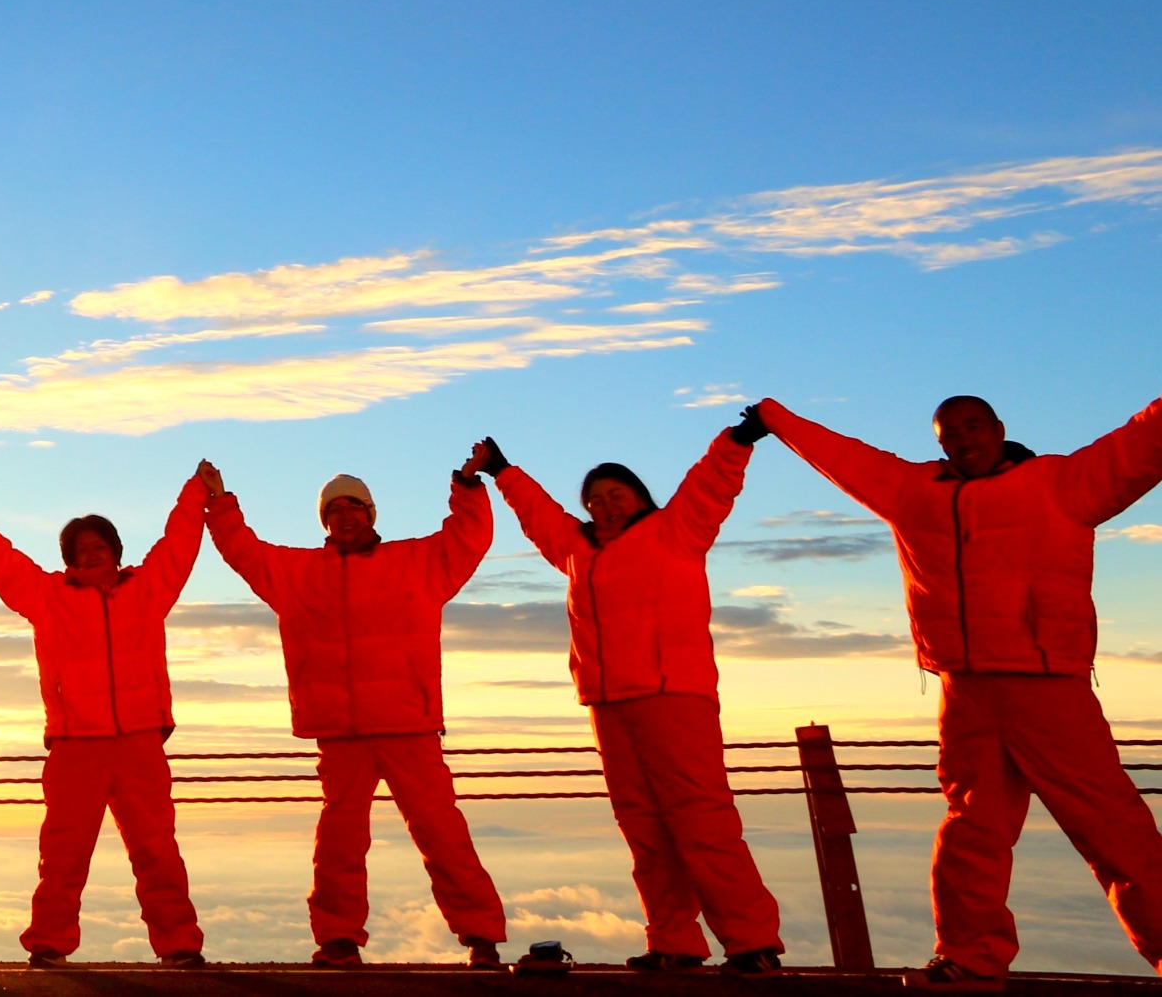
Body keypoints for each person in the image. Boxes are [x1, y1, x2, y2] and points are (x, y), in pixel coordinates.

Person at [756, 390, 1162, 988]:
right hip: (965, 687)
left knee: (1112, 829)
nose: (964, 439)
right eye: (950, 433)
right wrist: (776, 418)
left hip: (1045, 684)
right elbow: (844, 456)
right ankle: (969, 958)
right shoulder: (913, 492)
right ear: (939, 444)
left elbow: (1142, 441)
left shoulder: (1062, 483)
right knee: (972, 827)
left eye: (974, 427)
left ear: (999, 429)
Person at [484, 425, 784, 974]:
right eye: (594, 500)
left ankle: (752, 942)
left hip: (673, 697)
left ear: (641, 497)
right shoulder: (578, 549)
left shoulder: (676, 529)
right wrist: (504, 471)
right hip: (608, 703)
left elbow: (710, 485)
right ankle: (674, 941)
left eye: (614, 495)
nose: (604, 506)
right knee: (645, 829)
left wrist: (736, 442)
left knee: (702, 821)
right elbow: (540, 516)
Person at [203, 455, 507, 967]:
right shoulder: (297, 574)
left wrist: (468, 486)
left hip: (408, 723)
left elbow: (468, 538)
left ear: (371, 513)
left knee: (442, 833)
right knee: (340, 842)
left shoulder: (417, 563)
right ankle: (338, 939)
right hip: (339, 732)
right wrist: (218, 501)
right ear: (324, 521)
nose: (345, 517)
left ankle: (481, 936)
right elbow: (242, 550)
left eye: (354, 508)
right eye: (334, 511)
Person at [0, 476, 210, 968]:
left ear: (117, 551)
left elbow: (179, 544)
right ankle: (50, 943)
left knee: (157, 849)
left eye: (100, 545)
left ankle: (179, 945)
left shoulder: (148, 590)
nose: (92, 553)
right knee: (63, 851)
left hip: (140, 739)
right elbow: (7, 565)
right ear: (68, 557)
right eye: (81, 548)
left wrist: (197, 493)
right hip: (76, 743)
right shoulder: (48, 598)